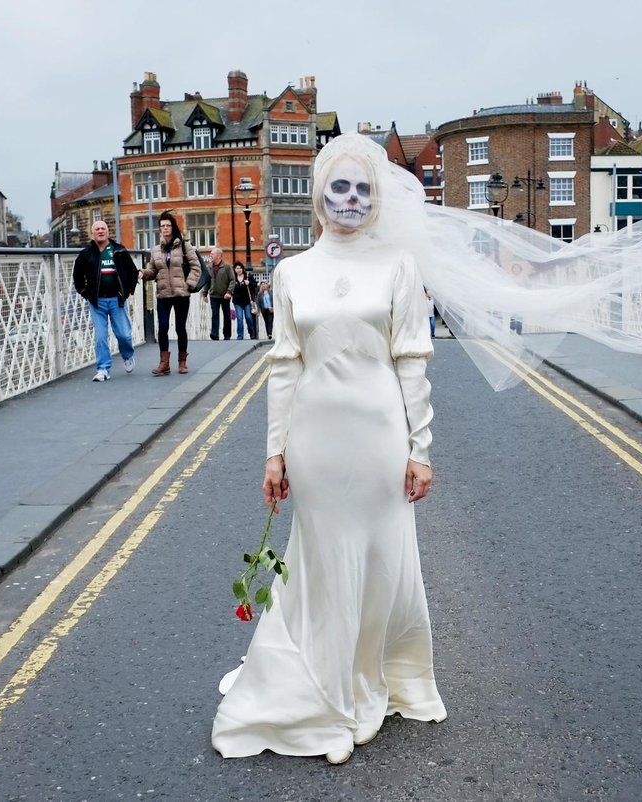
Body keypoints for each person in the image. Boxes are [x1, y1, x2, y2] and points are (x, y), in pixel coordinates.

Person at [211, 133, 445, 765]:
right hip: (315, 441)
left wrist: (420, 449)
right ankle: (326, 690)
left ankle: (367, 678)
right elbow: (284, 367)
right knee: (323, 558)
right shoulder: (290, 272)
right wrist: (274, 454)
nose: (351, 199)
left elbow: (412, 362)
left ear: (376, 198)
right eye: (339, 187)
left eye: (362, 188)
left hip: (378, 439)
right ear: (319, 197)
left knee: (377, 560)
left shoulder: (398, 263)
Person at [71, 220, 138, 382]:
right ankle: (103, 369)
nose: (100, 231)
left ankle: (127, 355)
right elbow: (77, 277)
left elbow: (132, 273)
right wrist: (86, 293)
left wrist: (127, 292)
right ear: (92, 233)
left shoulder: (119, 251)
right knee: (101, 337)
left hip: (117, 300)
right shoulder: (85, 254)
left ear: (108, 232)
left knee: (124, 335)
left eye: (103, 229)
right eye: (97, 229)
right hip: (97, 302)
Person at [141, 212, 200, 376]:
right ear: (159, 229)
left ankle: (182, 362)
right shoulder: (155, 250)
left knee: (181, 328)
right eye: (162, 226)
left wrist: (188, 284)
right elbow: (152, 271)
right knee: (163, 327)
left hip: (182, 294)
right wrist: (143, 273)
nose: (165, 228)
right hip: (163, 294)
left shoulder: (184, 246)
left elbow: (196, 267)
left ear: (173, 227)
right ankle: (164, 363)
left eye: (168, 225)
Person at [206, 247, 234, 340]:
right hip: (214, 295)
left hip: (225, 295)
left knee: (226, 315)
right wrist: (204, 294)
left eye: (212, 254)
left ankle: (227, 335)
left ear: (218, 256)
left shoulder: (226, 266)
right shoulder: (209, 267)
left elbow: (232, 280)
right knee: (215, 314)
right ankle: (214, 334)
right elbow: (207, 281)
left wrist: (229, 292)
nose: (210, 255)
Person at [230, 261, 257, 340]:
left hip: (247, 301)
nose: (239, 270)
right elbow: (230, 287)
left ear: (242, 269)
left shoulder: (248, 276)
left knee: (248, 317)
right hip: (237, 302)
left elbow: (255, 285)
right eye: (237, 268)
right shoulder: (233, 278)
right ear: (234, 270)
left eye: (240, 268)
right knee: (239, 318)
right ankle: (240, 335)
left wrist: (249, 283)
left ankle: (252, 333)